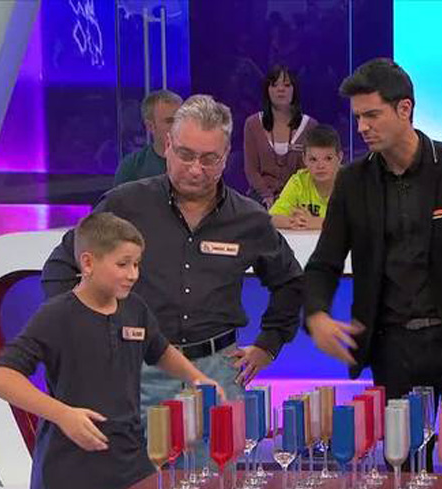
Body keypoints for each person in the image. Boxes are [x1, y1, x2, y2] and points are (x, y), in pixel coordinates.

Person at [303, 58, 442, 474]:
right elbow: (323, 263)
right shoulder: (353, 182)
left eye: (372, 115)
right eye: (358, 117)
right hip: (394, 350)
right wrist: (316, 314)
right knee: (402, 476)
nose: (362, 127)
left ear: (404, 108)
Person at [42, 94, 304, 417]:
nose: (195, 169)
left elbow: (291, 282)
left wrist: (269, 344)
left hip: (217, 372)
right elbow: (61, 267)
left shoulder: (248, 219)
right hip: (138, 370)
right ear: (168, 145)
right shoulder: (126, 205)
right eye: (185, 154)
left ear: (225, 158)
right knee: (138, 454)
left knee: (220, 453)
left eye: (209, 159)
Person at [0, 213, 221, 489]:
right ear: (88, 263)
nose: (133, 274)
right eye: (123, 264)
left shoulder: (135, 309)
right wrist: (63, 414)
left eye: (137, 264)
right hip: (71, 479)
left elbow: (159, 349)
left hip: (131, 469)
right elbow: (1, 377)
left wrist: (198, 378)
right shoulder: (56, 315)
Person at [243, 65, 318, 206]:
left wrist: (289, 199)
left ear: (295, 90)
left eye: (287, 85)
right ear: (267, 90)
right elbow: (251, 170)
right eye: (274, 85)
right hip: (260, 199)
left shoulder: (310, 126)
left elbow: (310, 171)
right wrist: (266, 195)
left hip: (298, 199)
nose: (281, 89)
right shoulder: (252, 124)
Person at [269, 124, 343, 230]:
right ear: (304, 159)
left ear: (339, 157)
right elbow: (271, 218)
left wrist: (317, 222)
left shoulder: (351, 181)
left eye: (328, 158)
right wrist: (293, 221)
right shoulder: (298, 182)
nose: (320, 166)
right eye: (313, 159)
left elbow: (362, 222)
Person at [114, 90, 182, 185]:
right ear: (150, 126)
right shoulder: (132, 168)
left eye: (181, 119)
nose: (178, 126)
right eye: (169, 121)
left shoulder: (198, 163)